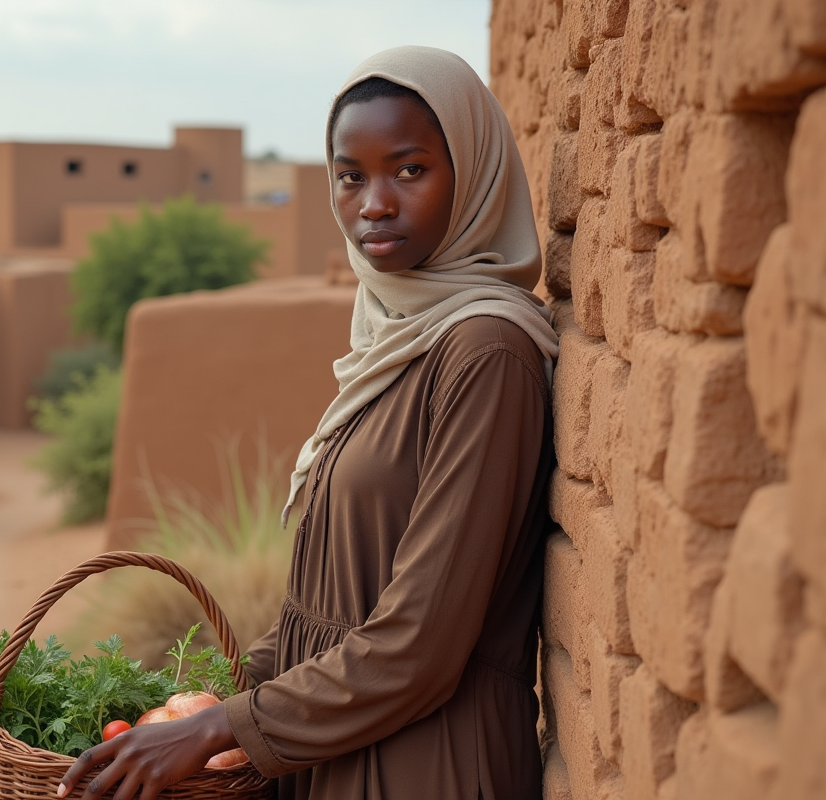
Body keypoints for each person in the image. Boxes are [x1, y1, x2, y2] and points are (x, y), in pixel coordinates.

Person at [58, 45, 559, 800]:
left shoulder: (486, 352)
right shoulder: (392, 342)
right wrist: (214, 702)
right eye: (350, 176)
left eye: (410, 169)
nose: (374, 203)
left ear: (475, 172)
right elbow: (327, 610)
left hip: (431, 765)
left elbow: (422, 645)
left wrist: (219, 727)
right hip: (340, 750)